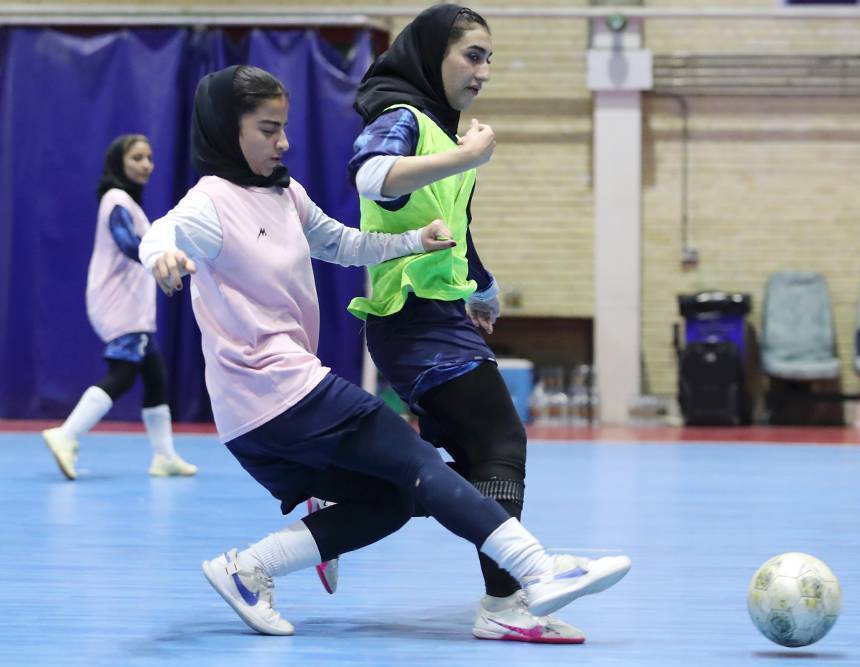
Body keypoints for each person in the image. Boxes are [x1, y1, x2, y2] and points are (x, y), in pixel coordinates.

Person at [139, 64, 630, 637]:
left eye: (284, 128)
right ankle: (537, 570)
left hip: (264, 411)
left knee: (393, 499)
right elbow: (161, 232)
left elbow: (340, 242)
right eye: (268, 130)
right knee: (418, 463)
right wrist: (161, 257)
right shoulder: (211, 204)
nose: (284, 142)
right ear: (227, 129)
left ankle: (249, 571)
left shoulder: (284, 195)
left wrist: (411, 243)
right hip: (274, 389)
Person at [329, 4, 585, 643]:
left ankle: (338, 494)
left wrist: (485, 290)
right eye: (473, 55)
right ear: (430, 55)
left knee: (467, 464)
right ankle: (505, 604)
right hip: (411, 318)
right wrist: (467, 155)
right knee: (501, 443)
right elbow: (371, 175)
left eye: (490, 59)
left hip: (441, 315)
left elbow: (457, 233)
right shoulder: (402, 119)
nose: (484, 71)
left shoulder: (445, 134)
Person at [42, 134, 197, 480]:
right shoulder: (116, 200)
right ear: (118, 163)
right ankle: (66, 434)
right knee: (124, 373)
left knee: (154, 376)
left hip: (129, 303)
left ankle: (165, 456)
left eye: (149, 158)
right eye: (137, 158)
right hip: (120, 303)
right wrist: (162, 259)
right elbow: (128, 242)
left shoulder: (127, 202)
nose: (146, 165)